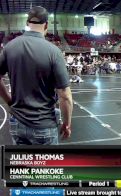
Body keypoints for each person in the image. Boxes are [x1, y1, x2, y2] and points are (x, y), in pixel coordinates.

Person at [0, 6, 72, 145]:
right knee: (47, 166)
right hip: (44, 125)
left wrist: (9, 101)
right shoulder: (53, 52)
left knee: (22, 164)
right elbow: (65, 96)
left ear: (27, 23)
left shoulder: (10, 47)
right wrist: (67, 124)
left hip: (17, 123)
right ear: (46, 24)